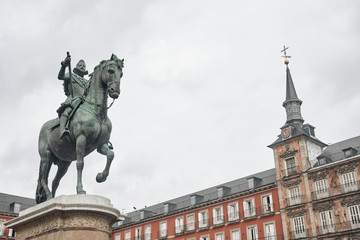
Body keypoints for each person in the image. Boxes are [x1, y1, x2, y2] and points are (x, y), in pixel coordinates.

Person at [57, 54, 89, 139]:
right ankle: (62, 130)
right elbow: (60, 77)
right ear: (76, 67)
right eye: (80, 65)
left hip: (86, 102)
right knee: (67, 111)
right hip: (73, 99)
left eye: (84, 66)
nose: (82, 67)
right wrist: (64, 65)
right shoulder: (71, 75)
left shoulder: (88, 82)